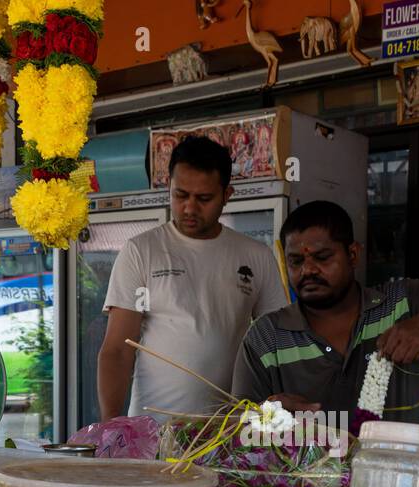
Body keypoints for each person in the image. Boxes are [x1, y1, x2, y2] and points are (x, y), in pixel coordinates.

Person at [231, 200, 419, 423]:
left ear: (353, 254)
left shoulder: (402, 304)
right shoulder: (266, 338)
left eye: (322, 257)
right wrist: (265, 416)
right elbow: (234, 428)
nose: (308, 270)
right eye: (295, 262)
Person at [98, 135, 288, 421]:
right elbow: (117, 350)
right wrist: (111, 425)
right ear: (169, 188)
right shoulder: (141, 251)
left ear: (227, 195)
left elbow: (277, 344)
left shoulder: (256, 256)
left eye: (204, 199)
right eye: (180, 195)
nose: (189, 208)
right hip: (154, 433)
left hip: (229, 433)